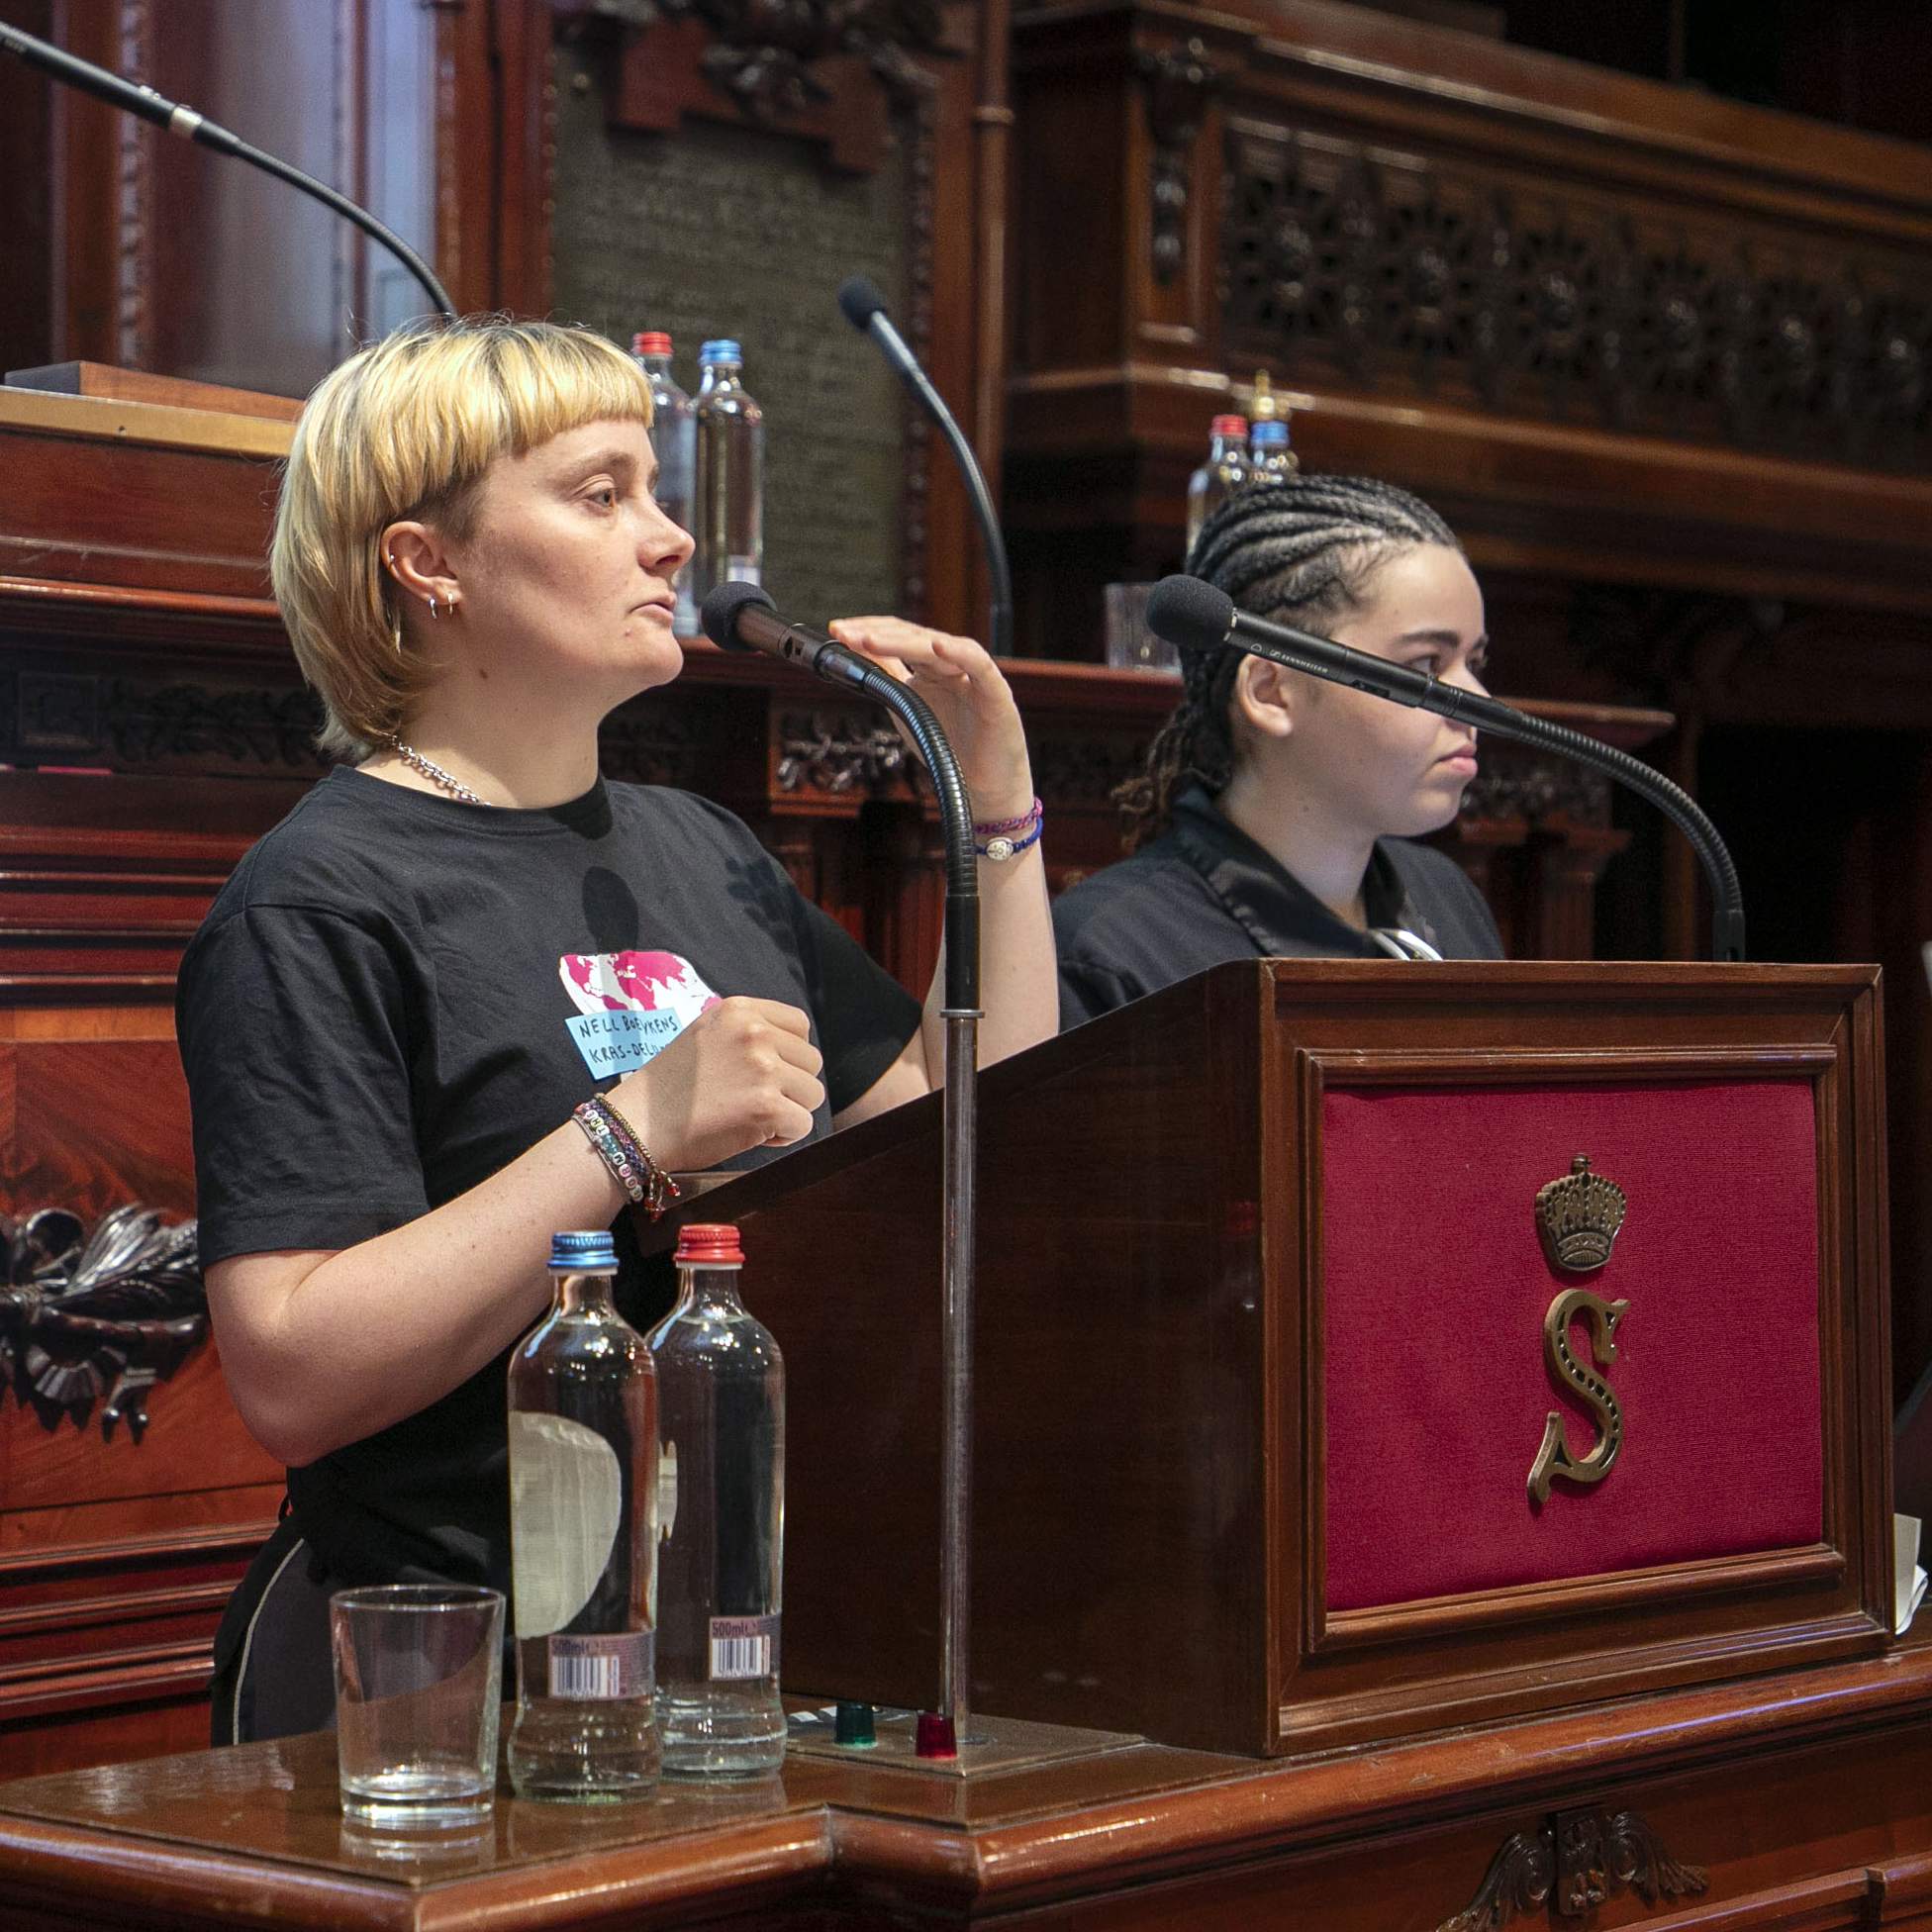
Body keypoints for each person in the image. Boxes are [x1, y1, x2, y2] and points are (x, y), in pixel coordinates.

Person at [176, 318, 1057, 1743]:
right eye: (599, 496)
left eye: (656, 492)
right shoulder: (320, 899)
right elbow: (291, 1372)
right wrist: (630, 1129)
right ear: (428, 563)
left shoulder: (699, 848)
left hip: (756, 1635)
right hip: (461, 1679)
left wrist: (1001, 811)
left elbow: (978, 1141)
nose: (669, 541)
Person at [1055, 474, 1502, 1026]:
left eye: (1474, 665)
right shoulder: (1111, 953)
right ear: (1271, 692)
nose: (1477, 700)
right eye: (1426, 666)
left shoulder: (1445, 896)